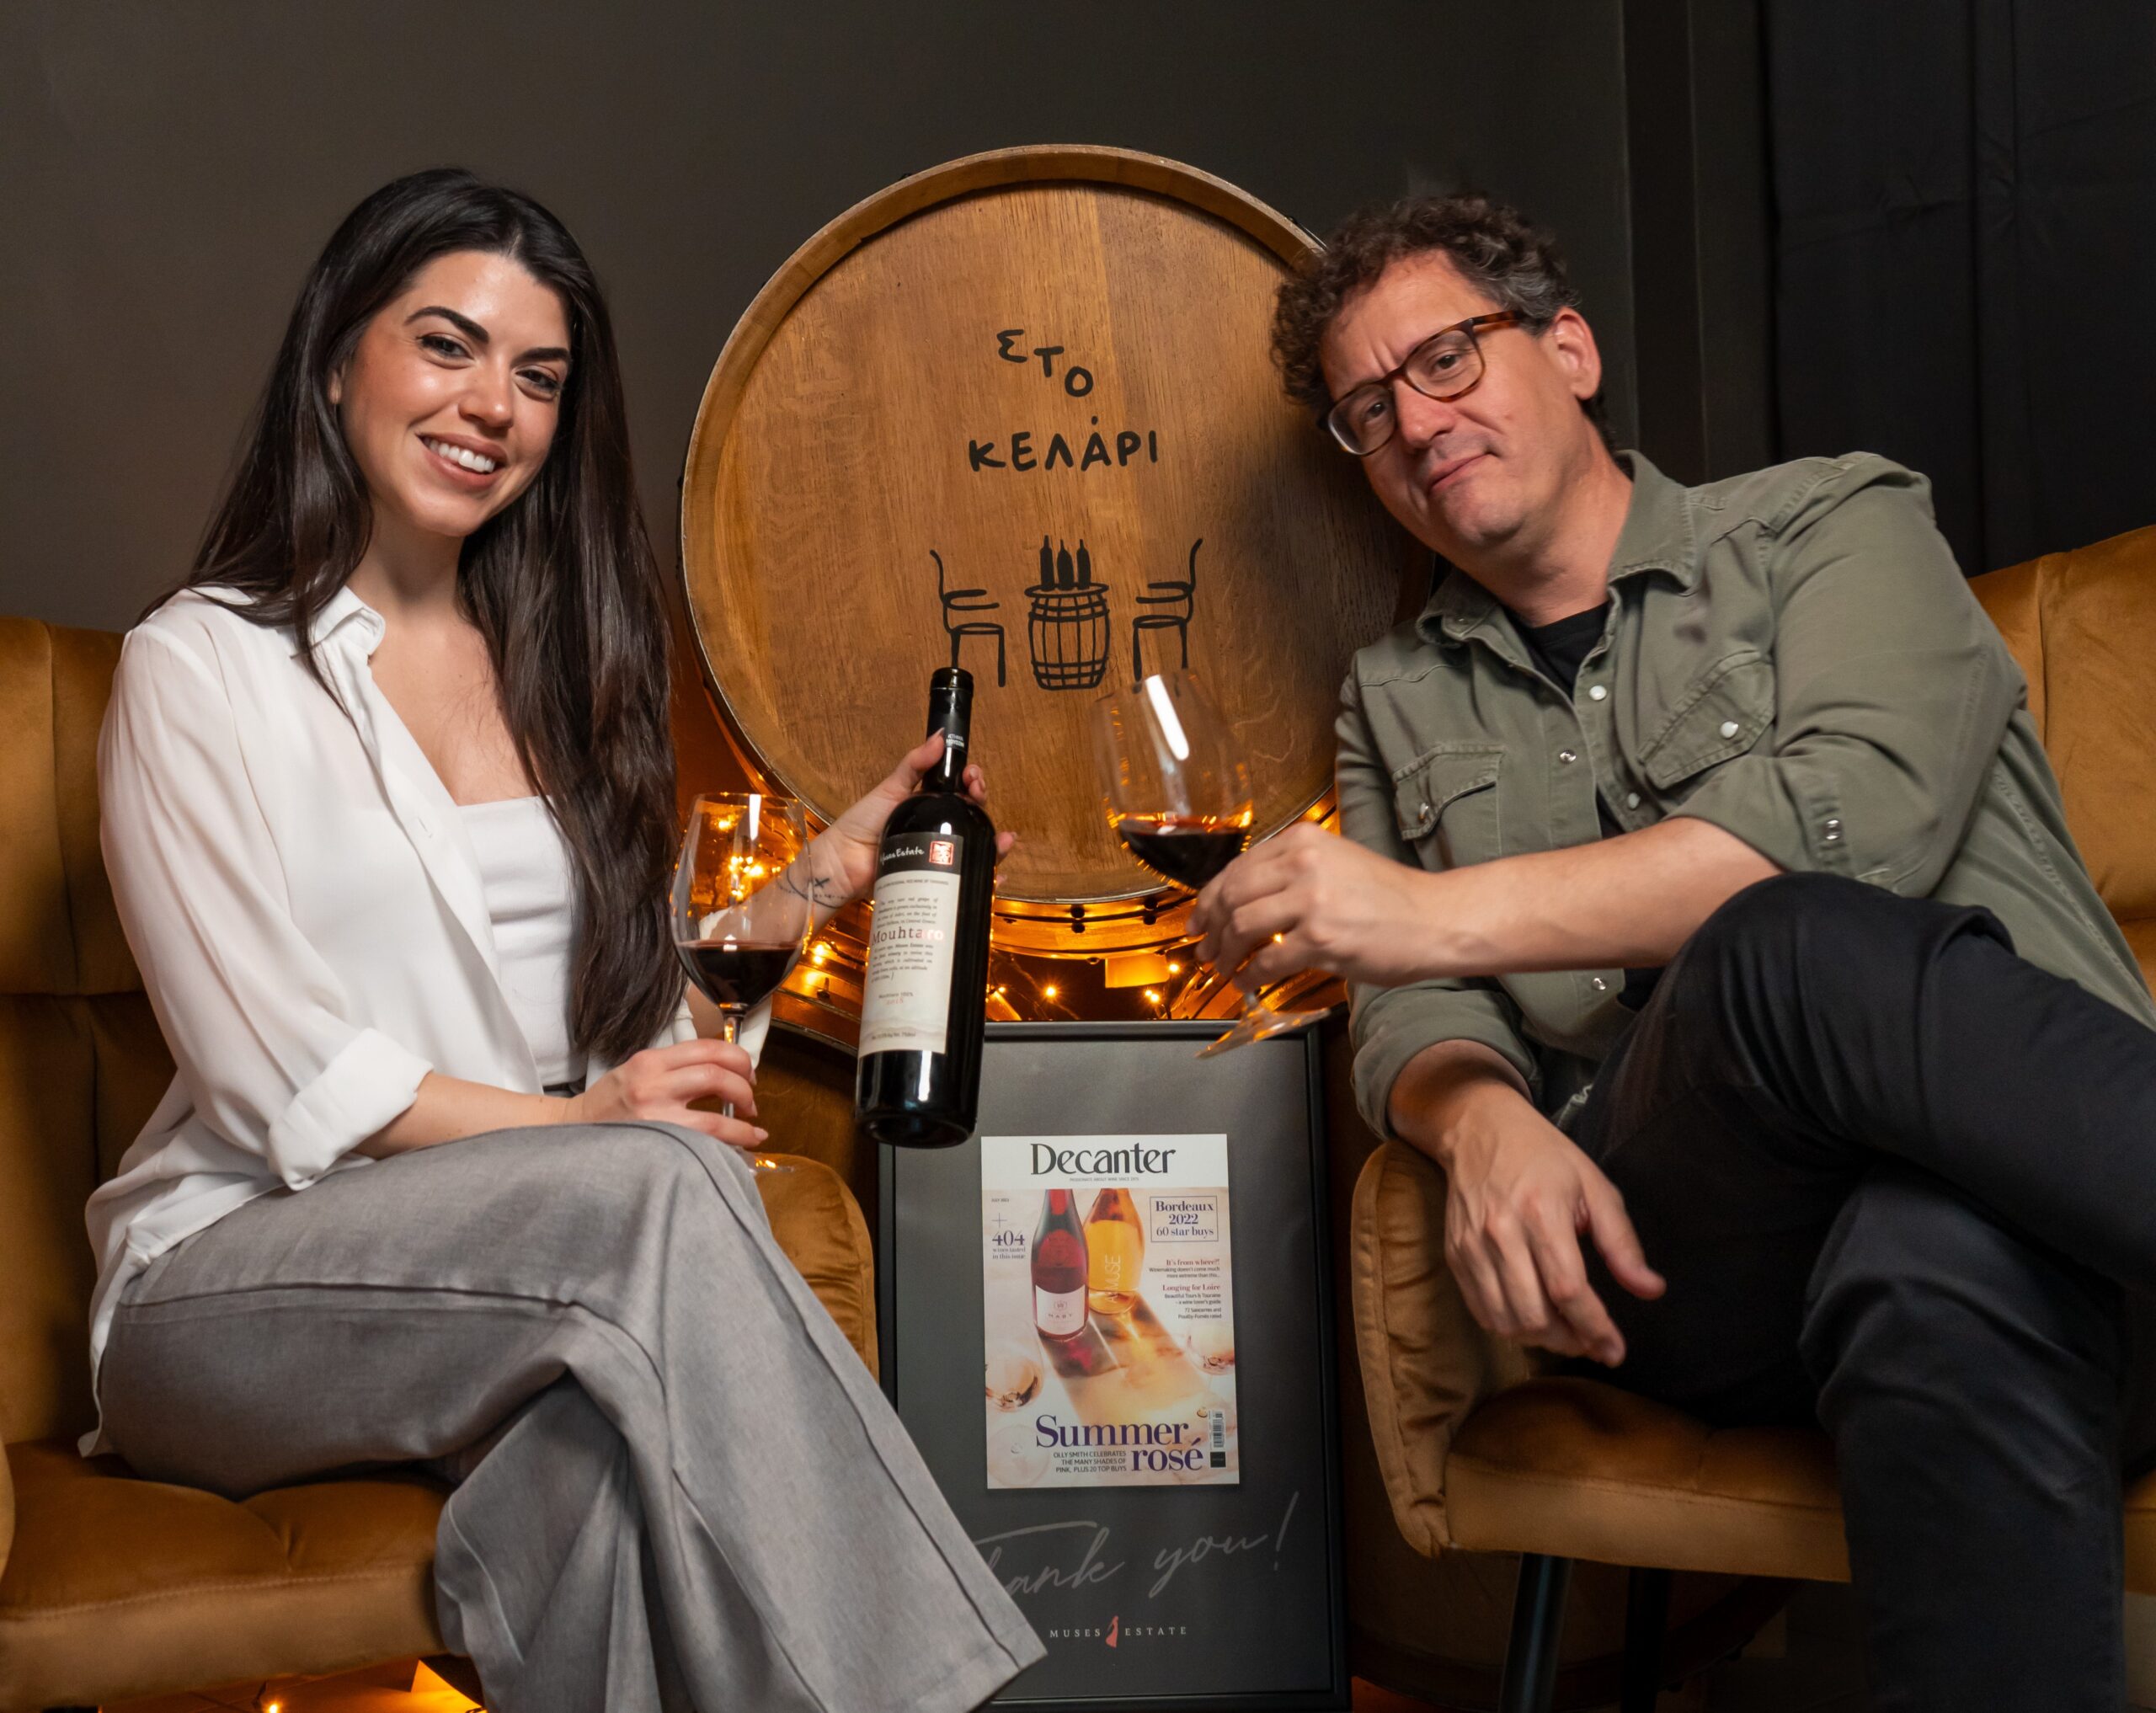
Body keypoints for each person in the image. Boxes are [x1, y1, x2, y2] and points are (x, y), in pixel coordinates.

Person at [87, 168, 1043, 1713]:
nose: (495, 405)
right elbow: (285, 1081)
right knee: (655, 1183)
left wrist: (822, 878)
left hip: (524, 1272)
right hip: (224, 1294)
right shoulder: (200, 666)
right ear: (336, 358)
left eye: (538, 376)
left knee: (591, 1485)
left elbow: (624, 1018)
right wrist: (589, 1129)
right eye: (446, 344)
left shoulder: (562, 681)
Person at [1189, 191, 2156, 1710]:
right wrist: (1478, 1115)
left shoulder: (1833, 523)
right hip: (1702, 1265)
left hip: (2069, 1223)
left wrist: (1426, 912)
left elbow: (1858, 824)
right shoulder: (1398, 695)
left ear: (1569, 349)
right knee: (1775, 952)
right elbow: (1411, 1013)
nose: (1415, 422)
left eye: (1445, 358)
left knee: (1930, 1255)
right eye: (1368, 411)